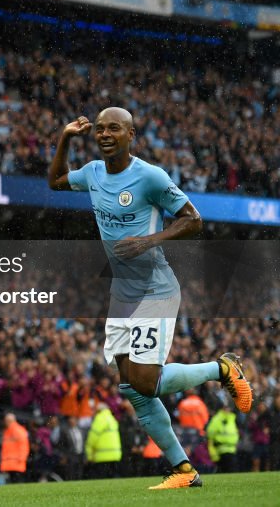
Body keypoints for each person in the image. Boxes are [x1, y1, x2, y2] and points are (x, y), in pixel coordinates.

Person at [48, 107, 253, 490]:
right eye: (101, 129)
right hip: (121, 292)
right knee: (130, 387)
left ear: (131, 134)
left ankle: (222, 369)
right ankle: (183, 470)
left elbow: (193, 219)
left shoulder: (150, 177)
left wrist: (148, 240)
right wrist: (65, 136)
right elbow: (56, 180)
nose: (105, 134)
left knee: (145, 381)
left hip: (155, 288)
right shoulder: (92, 172)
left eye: (114, 129)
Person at [85, 403, 122, 479]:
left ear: (98, 410)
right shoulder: (112, 419)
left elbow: (92, 438)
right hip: (115, 455)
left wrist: (89, 455)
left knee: (102, 481)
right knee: (113, 479)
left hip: (102, 456)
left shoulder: (99, 418)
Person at [206, 404, 239, 473]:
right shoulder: (218, 419)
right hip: (222, 449)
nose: (228, 410)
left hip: (232, 449)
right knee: (228, 471)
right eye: (226, 408)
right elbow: (210, 434)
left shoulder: (231, 418)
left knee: (229, 471)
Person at [0, 413, 29, 483]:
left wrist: (22, 458)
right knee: (13, 481)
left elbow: (23, 446)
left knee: (16, 481)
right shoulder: (8, 431)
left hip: (16, 461)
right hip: (11, 461)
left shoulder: (18, 431)